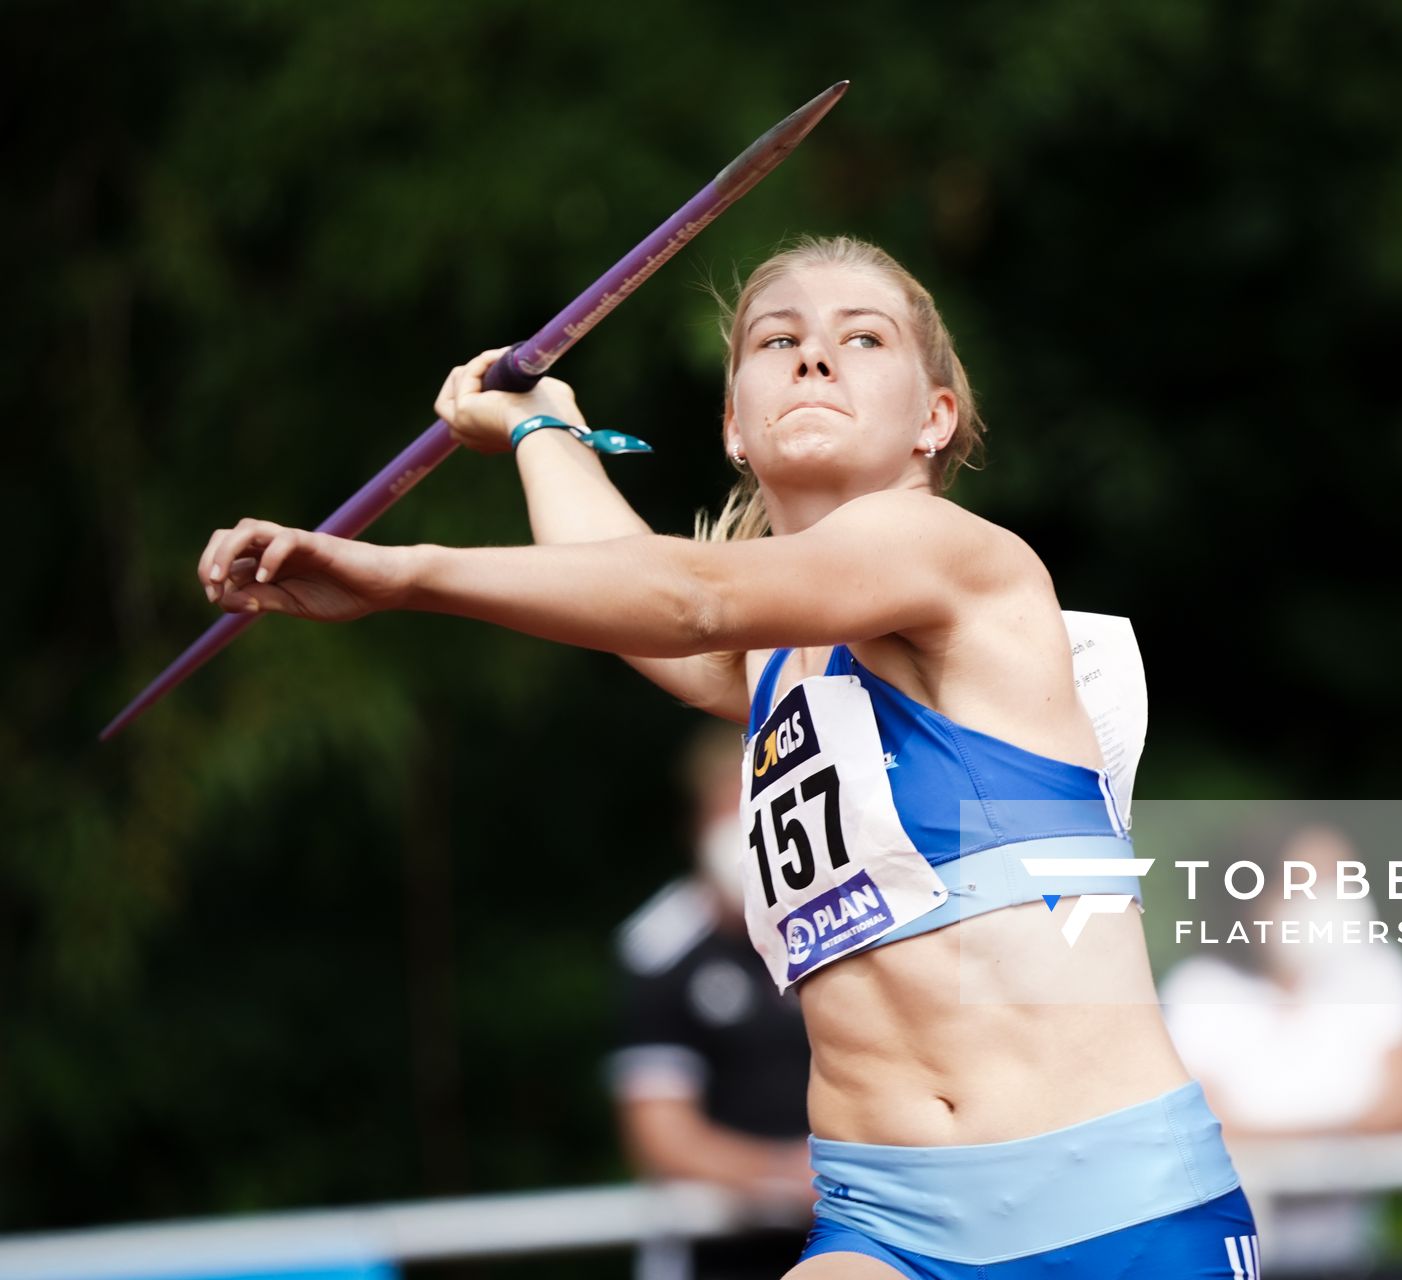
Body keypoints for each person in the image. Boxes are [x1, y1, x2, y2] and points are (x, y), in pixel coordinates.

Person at [196, 235, 1259, 1279]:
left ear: (934, 419)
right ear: (735, 427)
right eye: (777, 339)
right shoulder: (770, 658)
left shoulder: (954, 557)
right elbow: (633, 593)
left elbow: (681, 595)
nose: (812, 355)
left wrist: (403, 571)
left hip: (1110, 1208)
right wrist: (538, 427)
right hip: (890, 1223)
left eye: (864, 338)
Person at [1161, 826, 1402, 1276]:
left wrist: (1277, 1144)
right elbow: (1201, 1134)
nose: (1335, 897)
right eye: (1312, 882)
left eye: (1344, 878)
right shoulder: (1198, 988)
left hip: (1354, 1252)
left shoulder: (1375, 970)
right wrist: (1345, 1140)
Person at [611, 722, 814, 1278]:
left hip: (851, 1240)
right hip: (716, 1256)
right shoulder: (661, 947)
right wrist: (790, 1175)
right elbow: (660, 1134)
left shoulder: (840, 924)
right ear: (699, 824)